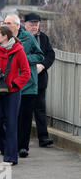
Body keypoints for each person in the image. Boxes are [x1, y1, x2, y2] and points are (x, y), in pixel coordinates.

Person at [0, 26, 31, 165]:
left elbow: (25, 72)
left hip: (12, 93)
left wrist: (14, 84)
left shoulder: (18, 51)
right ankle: (6, 148)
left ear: (5, 36)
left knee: (11, 124)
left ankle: (11, 157)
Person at [4, 14, 44, 158]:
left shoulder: (28, 37)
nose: (6, 25)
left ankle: (23, 147)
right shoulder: (3, 37)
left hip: (28, 84)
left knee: (26, 118)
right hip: (11, 84)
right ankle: (11, 145)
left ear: (17, 25)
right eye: (5, 22)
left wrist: (24, 59)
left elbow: (40, 56)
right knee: (13, 117)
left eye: (9, 23)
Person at [24, 13, 55, 147]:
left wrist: (42, 65)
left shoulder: (43, 38)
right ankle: (22, 140)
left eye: (36, 24)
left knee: (40, 109)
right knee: (24, 111)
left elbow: (50, 54)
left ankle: (43, 138)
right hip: (25, 80)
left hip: (40, 79)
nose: (34, 27)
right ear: (25, 24)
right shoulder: (21, 38)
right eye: (31, 24)